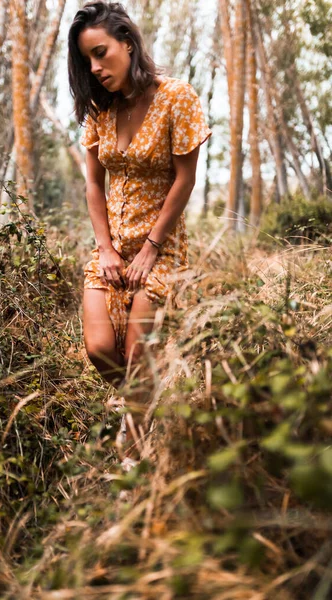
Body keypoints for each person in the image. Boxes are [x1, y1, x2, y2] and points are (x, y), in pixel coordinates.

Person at [68, 0, 212, 460]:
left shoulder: (177, 98)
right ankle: (148, 409)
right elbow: (93, 183)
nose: (95, 68)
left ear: (128, 43)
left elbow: (185, 180)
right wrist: (106, 249)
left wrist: (150, 248)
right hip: (111, 250)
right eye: (87, 59)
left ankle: (136, 458)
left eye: (101, 53)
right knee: (98, 348)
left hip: (161, 250)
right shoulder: (101, 110)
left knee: (136, 354)